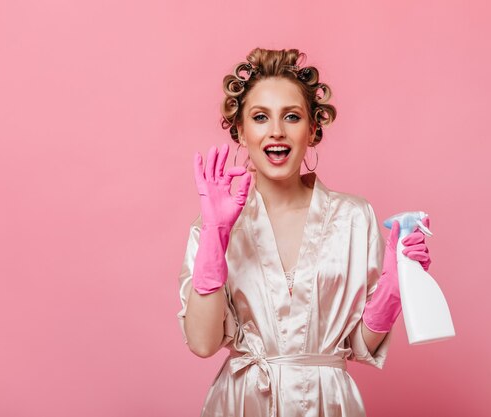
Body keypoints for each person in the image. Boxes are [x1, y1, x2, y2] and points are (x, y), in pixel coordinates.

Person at [176, 47, 432, 417]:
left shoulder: (353, 218)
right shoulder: (215, 226)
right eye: (260, 117)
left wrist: (394, 288)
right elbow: (202, 343)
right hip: (243, 403)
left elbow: (359, 345)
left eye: (292, 117)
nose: (276, 131)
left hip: (327, 403)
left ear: (312, 130)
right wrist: (216, 236)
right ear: (241, 132)